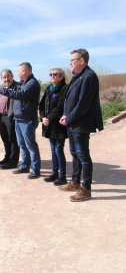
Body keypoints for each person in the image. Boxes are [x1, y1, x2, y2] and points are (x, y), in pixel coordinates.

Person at [59, 48, 103, 202]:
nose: (70, 63)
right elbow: (70, 100)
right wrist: (66, 115)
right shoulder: (78, 76)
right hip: (73, 122)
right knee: (75, 153)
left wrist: (69, 118)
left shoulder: (89, 76)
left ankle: (86, 189)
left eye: (72, 60)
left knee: (83, 155)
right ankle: (75, 182)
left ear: (81, 61)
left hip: (81, 123)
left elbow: (83, 104)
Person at [0, 62, 41, 179]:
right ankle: (25, 165)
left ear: (25, 71)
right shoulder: (24, 83)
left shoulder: (32, 83)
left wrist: (3, 91)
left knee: (30, 145)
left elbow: (20, 94)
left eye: (18, 71)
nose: (17, 74)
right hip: (19, 119)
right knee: (22, 144)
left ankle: (36, 169)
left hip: (27, 120)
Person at [39, 68, 68, 186]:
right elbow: (41, 105)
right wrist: (43, 117)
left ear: (61, 76)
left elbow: (60, 107)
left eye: (55, 74)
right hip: (48, 124)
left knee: (58, 150)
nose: (52, 76)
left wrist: (49, 119)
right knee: (53, 150)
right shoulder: (48, 88)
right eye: (50, 74)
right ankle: (55, 173)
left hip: (58, 125)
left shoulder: (64, 88)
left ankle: (62, 176)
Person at [0, 69, 20, 169]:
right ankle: (7, 157)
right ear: (1, 78)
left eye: (8, 76)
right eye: (4, 77)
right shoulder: (1, 87)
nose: (6, 79)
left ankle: (13, 161)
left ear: (12, 76)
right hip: (2, 116)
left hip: (11, 117)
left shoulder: (17, 87)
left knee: (13, 139)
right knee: (5, 138)